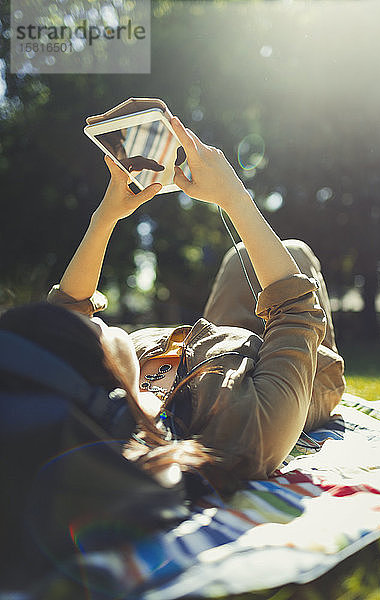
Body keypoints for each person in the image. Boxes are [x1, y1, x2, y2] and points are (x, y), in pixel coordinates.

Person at [7, 114, 346, 497]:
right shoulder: (242, 431)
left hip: (220, 342)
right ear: (83, 390)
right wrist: (233, 196)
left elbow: (68, 308)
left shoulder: (112, 382)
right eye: (81, 330)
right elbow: (296, 307)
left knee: (243, 257)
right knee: (292, 254)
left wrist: (105, 217)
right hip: (301, 375)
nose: (84, 320)